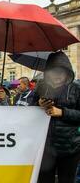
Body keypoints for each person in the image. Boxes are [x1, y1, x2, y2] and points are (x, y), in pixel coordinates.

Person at [31, 51, 80, 183]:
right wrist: (38, 104)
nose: (57, 75)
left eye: (61, 71)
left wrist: (62, 112)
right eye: (54, 71)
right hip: (44, 149)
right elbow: (27, 110)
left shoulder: (76, 88)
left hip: (69, 149)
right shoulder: (40, 87)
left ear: (67, 72)